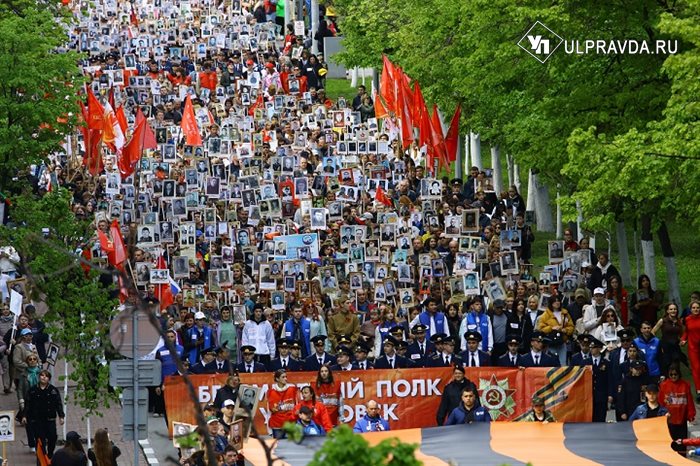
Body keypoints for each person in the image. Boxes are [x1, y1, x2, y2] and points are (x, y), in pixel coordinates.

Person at [23, 370, 63, 457]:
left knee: (52, 437)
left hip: (50, 419)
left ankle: (50, 454)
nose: (44, 377)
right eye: (42, 375)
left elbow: (58, 404)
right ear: (39, 377)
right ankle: (42, 457)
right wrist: (24, 416)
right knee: (40, 439)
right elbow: (27, 404)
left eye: (46, 376)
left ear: (49, 379)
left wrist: (61, 416)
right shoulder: (33, 390)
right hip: (37, 420)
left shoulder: (53, 390)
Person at [659, 364, 695, 440]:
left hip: (682, 418)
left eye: (675, 374)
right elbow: (661, 401)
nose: (673, 376)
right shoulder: (664, 385)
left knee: (682, 441)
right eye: (671, 375)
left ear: (679, 374)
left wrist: (691, 414)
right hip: (669, 419)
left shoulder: (685, 385)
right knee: (670, 441)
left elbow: (689, 400)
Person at [267, 369, 298, 439]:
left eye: (286, 377)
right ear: (277, 379)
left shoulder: (292, 389)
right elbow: (271, 410)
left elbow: (297, 405)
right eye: (283, 377)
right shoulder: (271, 392)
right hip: (277, 425)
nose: (286, 379)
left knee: (292, 445)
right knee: (278, 445)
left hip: (290, 423)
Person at [681, 300, 700, 402]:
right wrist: (683, 339)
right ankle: (698, 391)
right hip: (693, 348)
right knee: (696, 369)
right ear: (690, 309)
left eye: (697, 308)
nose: (696, 309)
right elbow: (686, 332)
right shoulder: (687, 319)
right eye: (694, 308)